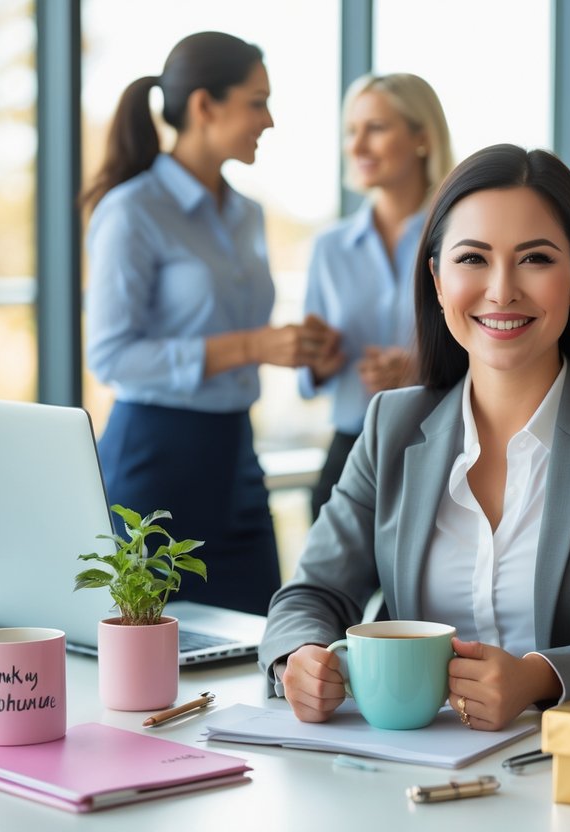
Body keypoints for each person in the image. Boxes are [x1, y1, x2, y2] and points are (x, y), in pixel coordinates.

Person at [259, 144, 570, 731]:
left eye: (535, 260)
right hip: (407, 767)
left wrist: (540, 677)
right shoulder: (390, 425)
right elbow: (309, 595)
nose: (501, 291)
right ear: (436, 278)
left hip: (568, 770)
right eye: (473, 258)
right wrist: (298, 659)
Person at [83, 32, 341, 616]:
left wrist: (301, 349)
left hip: (236, 456)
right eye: (257, 101)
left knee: (262, 639)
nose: (269, 120)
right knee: (145, 659)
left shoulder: (248, 214)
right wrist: (253, 344)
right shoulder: (132, 210)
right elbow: (112, 357)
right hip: (154, 463)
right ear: (205, 106)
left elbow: (240, 335)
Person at [300, 73, 455, 520]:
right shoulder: (329, 247)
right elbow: (310, 379)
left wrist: (421, 368)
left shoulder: (459, 240)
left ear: (422, 137)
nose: (358, 145)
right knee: (325, 589)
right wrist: (319, 361)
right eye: (352, 131)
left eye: (376, 128)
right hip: (351, 447)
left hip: (441, 445)